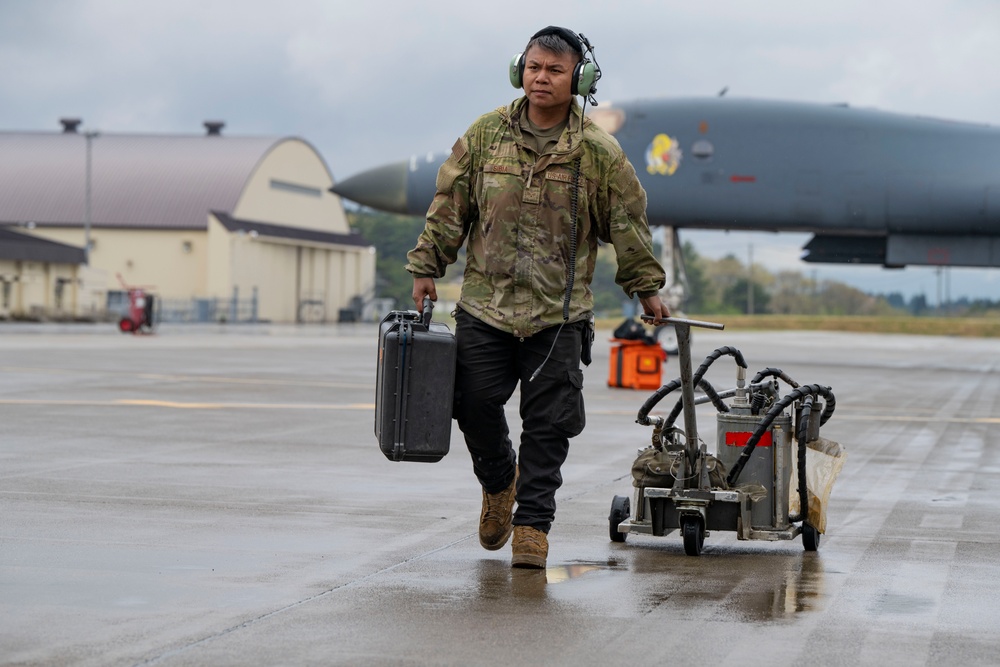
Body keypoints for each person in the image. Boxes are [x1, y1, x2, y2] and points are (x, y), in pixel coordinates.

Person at [406, 26, 669, 569]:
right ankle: (499, 482)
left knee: (549, 424)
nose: (540, 78)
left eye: (554, 69)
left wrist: (645, 286)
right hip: (485, 305)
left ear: (579, 78)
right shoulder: (486, 134)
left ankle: (532, 526)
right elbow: (450, 203)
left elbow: (627, 222)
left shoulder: (597, 152)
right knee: (472, 404)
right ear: (518, 71)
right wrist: (427, 265)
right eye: (533, 67)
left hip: (558, 314)